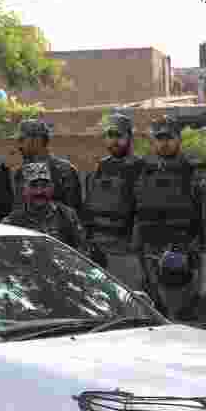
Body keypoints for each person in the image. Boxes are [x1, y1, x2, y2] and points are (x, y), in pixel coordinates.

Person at [132, 115, 206, 326]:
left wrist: (205, 255)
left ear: (179, 140)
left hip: (186, 255)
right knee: (154, 318)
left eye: (170, 138)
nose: (164, 143)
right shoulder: (143, 171)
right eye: (160, 138)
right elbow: (138, 214)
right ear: (153, 141)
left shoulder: (195, 170)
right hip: (150, 255)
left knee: (189, 320)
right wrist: (137, 253)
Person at [81, 112, 144, 286]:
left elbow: (143, 213)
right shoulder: (99, 168)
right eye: (110, 135)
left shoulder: (140, 168)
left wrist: (134, 249)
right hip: (98, 249)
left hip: (125, 251)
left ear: (130, 137)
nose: (114, 141)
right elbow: (88, 209)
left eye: (119, 135)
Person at [1, 161, 86, 252]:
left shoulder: (67, 215)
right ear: (24, 190)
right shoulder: (12, 223)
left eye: (44, 186)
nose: (39, 191)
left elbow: (82, 252)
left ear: (52, 188)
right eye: (33, 186)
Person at [12, 119, 83, 213]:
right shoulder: (20, 172)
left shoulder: (65, 171)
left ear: (37, 140)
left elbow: (73, 212)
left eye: (22, 140)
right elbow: (18, 209)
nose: (19, 146)